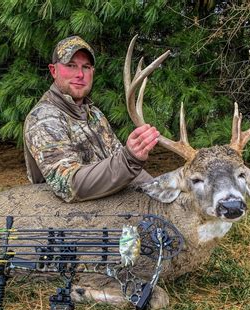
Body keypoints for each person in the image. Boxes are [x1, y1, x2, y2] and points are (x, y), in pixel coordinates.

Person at [23, 36, 160, 202]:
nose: (80, 74)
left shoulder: (94, 114)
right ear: (53, 71)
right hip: (64, 220)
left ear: (92, 72)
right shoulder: (43, 119)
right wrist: (129, 159)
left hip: (104, 210)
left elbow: (120, 162)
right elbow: (69, 185)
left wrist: (156, 190)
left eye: (86, 67)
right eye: (71, 65)